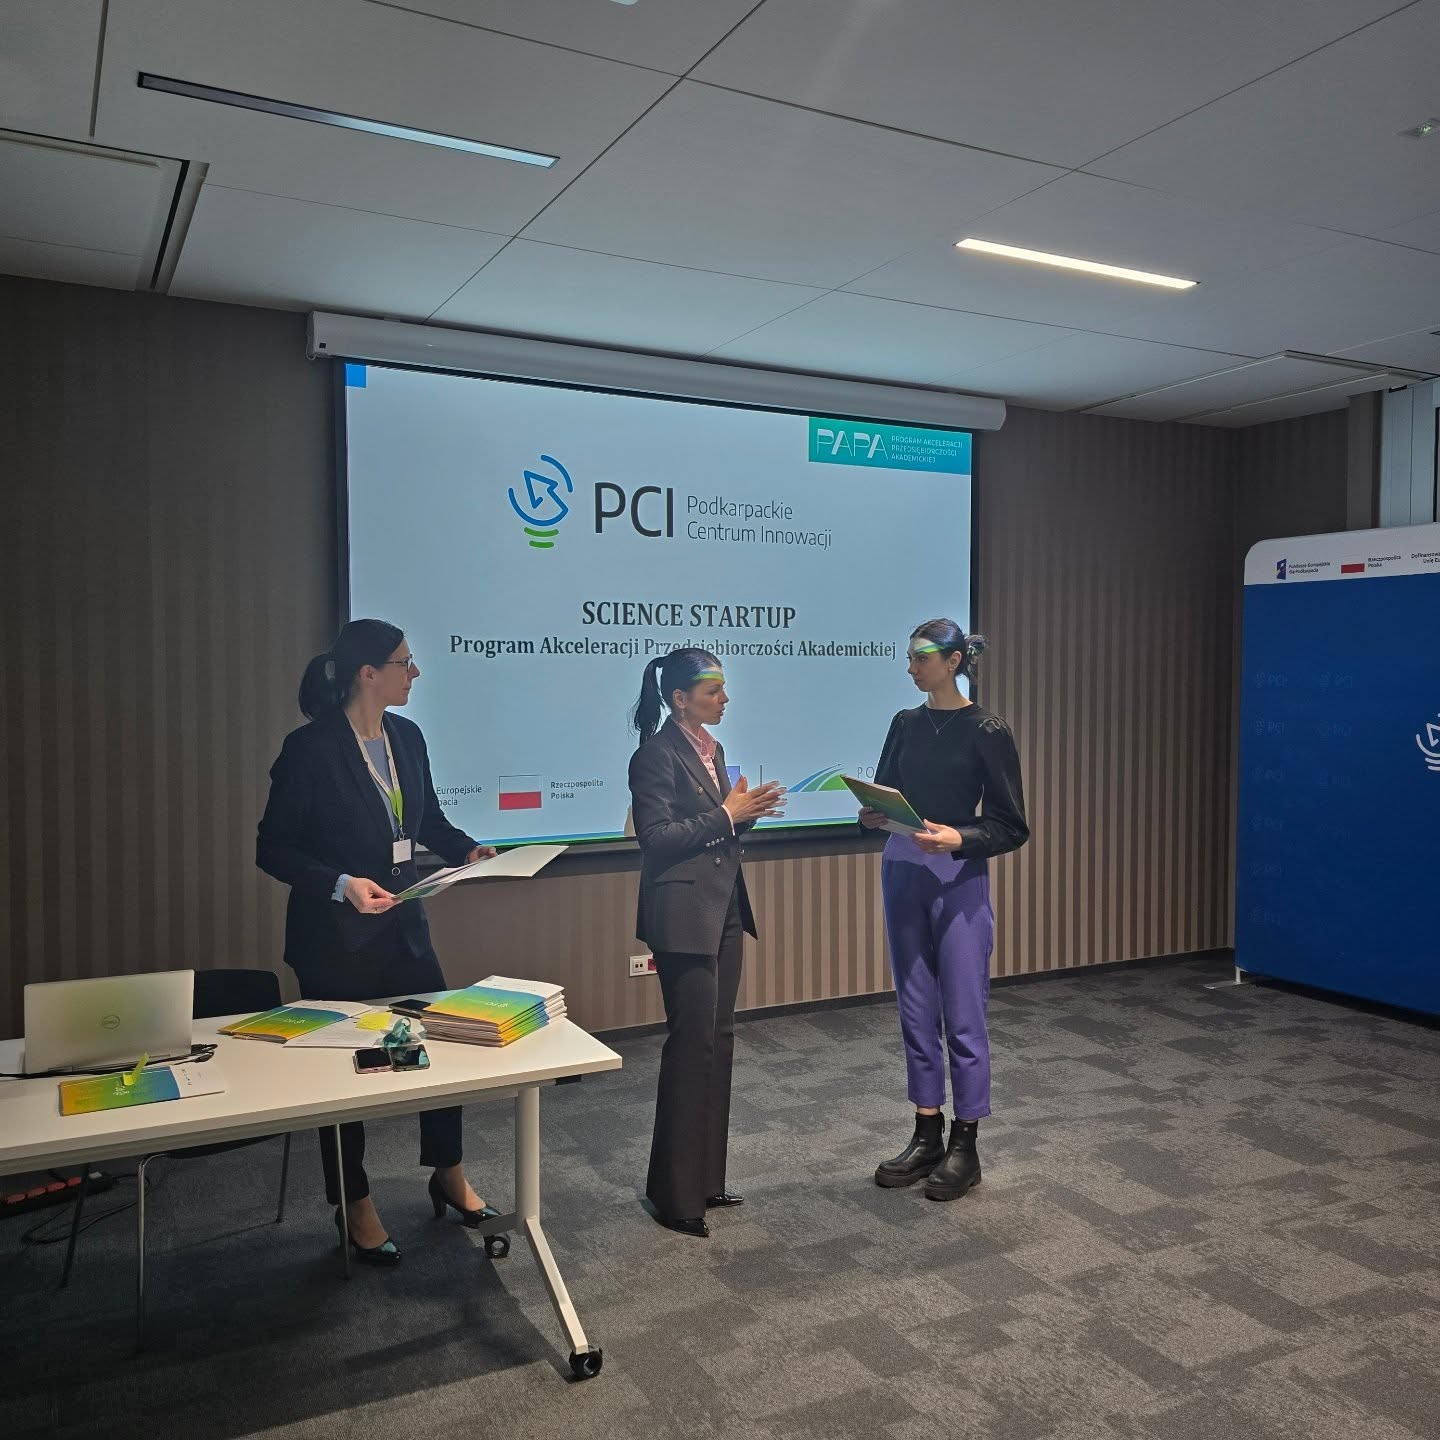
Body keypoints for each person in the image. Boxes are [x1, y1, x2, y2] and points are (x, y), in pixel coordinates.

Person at [256, 619, 498, 1265]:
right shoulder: (309, 749)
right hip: (334, 938)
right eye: (404, 662)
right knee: (342, 1074)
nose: (414, 673)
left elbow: (428, 820)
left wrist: (467, 850)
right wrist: (340, 884)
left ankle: (448, 1173)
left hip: (404, 930)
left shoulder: (407, 737)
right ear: (368, 673)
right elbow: (273, 847)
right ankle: (354, 1201)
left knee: (440, 1047)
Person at [861, 619, 1028, 1201]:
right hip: (902, 871)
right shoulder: (904, 723)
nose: (911, 668)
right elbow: (885, 790)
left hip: (958, 877)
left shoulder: (987, 729)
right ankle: (926, 1132)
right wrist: (873, 814)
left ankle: (966, 1142)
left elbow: (1011, 825)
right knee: (914, 1008)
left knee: (963, 1012)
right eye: (909, 658)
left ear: (954, 661)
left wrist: (960, 837)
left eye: (921, 658)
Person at [627, 648, 786, 1237]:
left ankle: (706, 1180)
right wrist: (727, 814)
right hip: (682, 915)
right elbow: (657, 838)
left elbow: (716, 824)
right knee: (691, 1045)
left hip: (723, 908)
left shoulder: (711, 750)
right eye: (713, 691)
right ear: (679, 699)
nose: (724, 699)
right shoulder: (654, 755)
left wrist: (745, 814)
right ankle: (675, 1196)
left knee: (718, 1041)